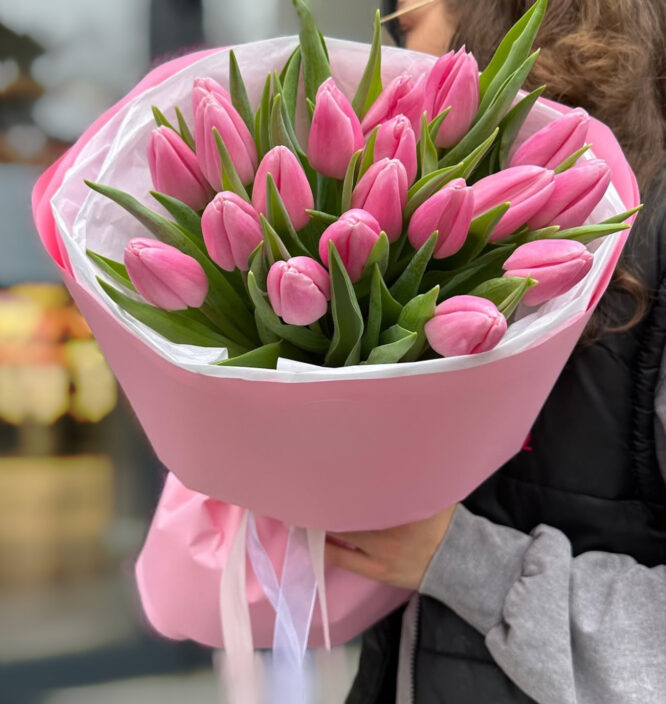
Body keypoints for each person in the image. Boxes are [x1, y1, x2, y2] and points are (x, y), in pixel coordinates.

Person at [325, 1, 666, 702]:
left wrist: (465, 562)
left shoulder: (647, 233)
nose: (393, 16)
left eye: (405, 12)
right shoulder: (432, 207)